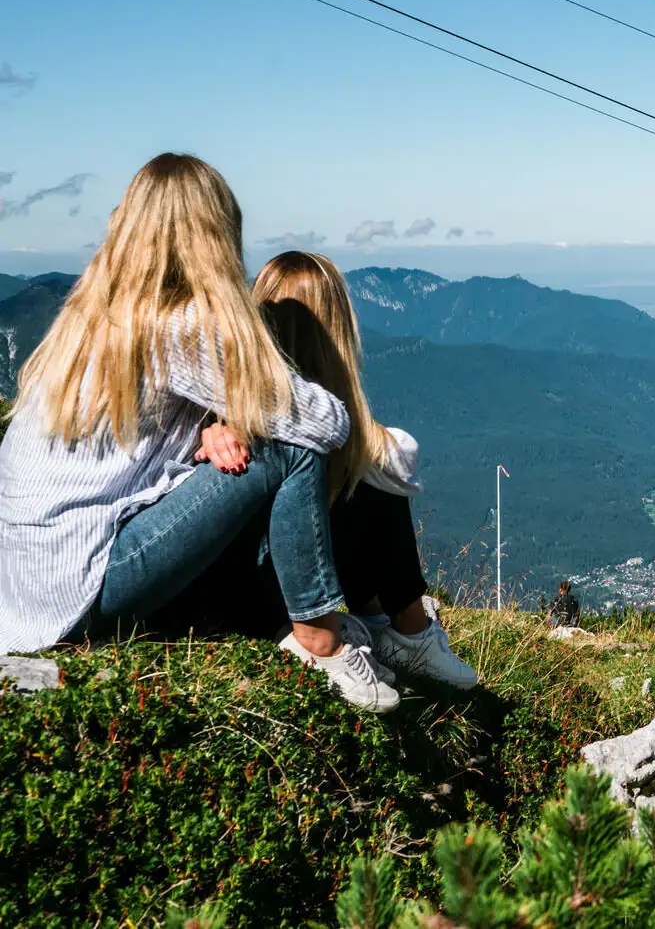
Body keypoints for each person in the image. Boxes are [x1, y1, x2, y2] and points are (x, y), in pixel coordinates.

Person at [0, 154, 398, 711]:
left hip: (25, 596)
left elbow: (127, 446)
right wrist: (240, 417)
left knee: (268, 436)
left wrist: (216, 424)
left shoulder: (93, 312)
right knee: (288, 448)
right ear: (215, 234)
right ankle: (319, 638)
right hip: (86, 591)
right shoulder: (180, 327)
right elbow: (325, 422)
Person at [245, 251, 477, 689]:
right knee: (373, 475)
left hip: (254, 577)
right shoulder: (314, 413)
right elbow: (401, 462)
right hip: (269, 595)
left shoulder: (239, 390)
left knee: (357, 475)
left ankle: (385, 625)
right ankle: (410, 632)